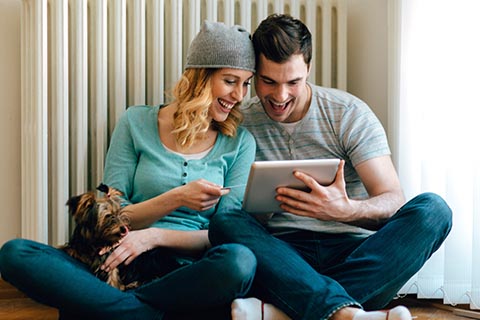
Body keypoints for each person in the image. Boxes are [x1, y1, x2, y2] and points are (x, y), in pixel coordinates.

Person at [0, 21, 258, 320]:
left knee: (240, 261)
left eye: (246, 83)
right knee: (15, 253)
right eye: (230, 81)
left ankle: (111, 308)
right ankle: (141, 312)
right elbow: (112, 213)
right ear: (200, 77)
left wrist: (153, 237)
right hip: (118, 262)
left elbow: (227, 233)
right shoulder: (136, 122)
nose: (239, 95)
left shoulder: (239, 143)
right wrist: (175, 198)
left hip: (187, 272)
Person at [209, 14, 453, 320]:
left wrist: (345, 210)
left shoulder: (347, 114)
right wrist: (260, 209)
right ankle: (345, 312)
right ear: (254, 73)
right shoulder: (241, 121)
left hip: (352, 253)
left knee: (434, 210)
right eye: (268, 81)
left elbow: (393, 199)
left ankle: (286, 312)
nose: (280, 96)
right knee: (225, 222)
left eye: (293, 82)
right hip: (282, 258)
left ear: (308, 69)